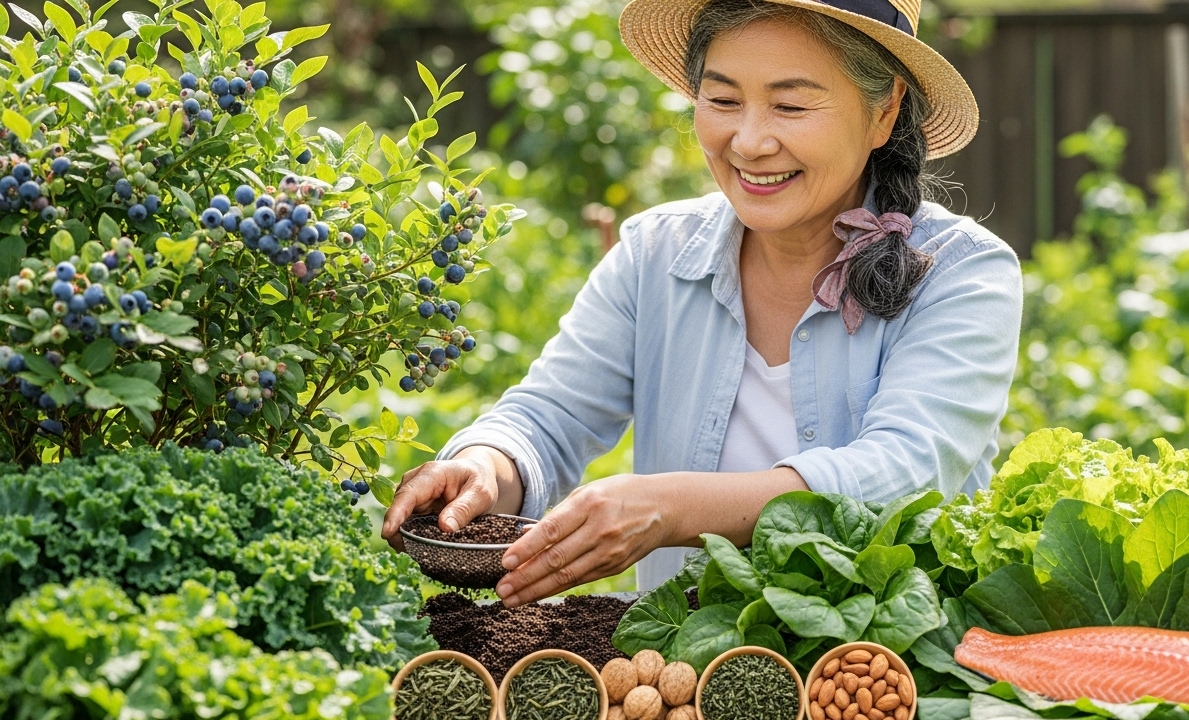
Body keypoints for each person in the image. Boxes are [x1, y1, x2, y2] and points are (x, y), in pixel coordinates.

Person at [383, 0, 1022, 607]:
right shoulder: (655, 254)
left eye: (791, 105)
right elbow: (549, 416)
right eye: (721, 99)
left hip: (878, 688)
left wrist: (673, 508)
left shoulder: (961, 270)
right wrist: (485, 466)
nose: (748, 141)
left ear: (885, 111)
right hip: (678, 684)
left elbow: (905, 471)